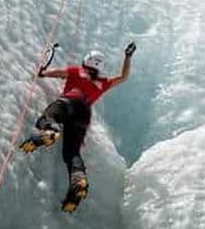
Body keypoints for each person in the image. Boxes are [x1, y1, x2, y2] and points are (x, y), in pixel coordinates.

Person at [20, 41, 136, 212]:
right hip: (83, 114)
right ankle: (78, 178)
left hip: (69, 101)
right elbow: (123, 77)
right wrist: (127, 56)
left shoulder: (76, 71)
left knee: (47, 118)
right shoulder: (103, 83)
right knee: (72, 153)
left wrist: (43, 73)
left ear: (86, 61)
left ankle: (51, 130)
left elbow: (54, 73)